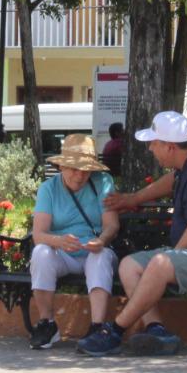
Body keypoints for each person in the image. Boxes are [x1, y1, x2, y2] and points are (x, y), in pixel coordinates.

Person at [77, 111, 187, 357]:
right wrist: (133, 198)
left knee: (160, 264)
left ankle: (114, 331)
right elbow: (172, 180)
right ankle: (157, 330)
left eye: (153, 143)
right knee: (129, 265)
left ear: (170, 147)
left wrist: (170, 259)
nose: (149, 149)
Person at [26, 135, 120, 350]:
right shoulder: (48, 189)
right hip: (64, 253)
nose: (80, 175)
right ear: (61, 166)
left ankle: (97, 328)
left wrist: (101, 240)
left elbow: (112, 225)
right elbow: (38, 234)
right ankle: (46, 323)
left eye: (85, 170)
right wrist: (58, 241)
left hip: (93, 250)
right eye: (73, 169)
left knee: (101, 256)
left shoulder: (103, 183)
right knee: (41, 252)